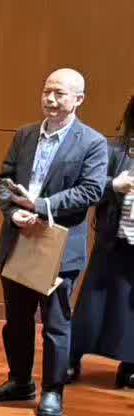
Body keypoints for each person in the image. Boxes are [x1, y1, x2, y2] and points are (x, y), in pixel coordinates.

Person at [0, 67, 109, 416]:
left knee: (55, 324)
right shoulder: (24, 134)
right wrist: (13, 213)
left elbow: (91, 191)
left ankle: (53, 390)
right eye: (47, 91)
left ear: (78, 99)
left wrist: (42, 206)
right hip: (19, 238)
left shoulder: (93, 142)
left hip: (59, 245)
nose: (50, 99)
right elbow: (4, 179)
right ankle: (20, 382)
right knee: (16, 320)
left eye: (59, 93)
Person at [68, 95, 134, 395]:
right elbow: (92, 186)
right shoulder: (113, 150)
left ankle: (130, 364)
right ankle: (72, 356)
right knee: (93, 302)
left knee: (130, 306)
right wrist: (116, 186)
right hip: (112, 239)